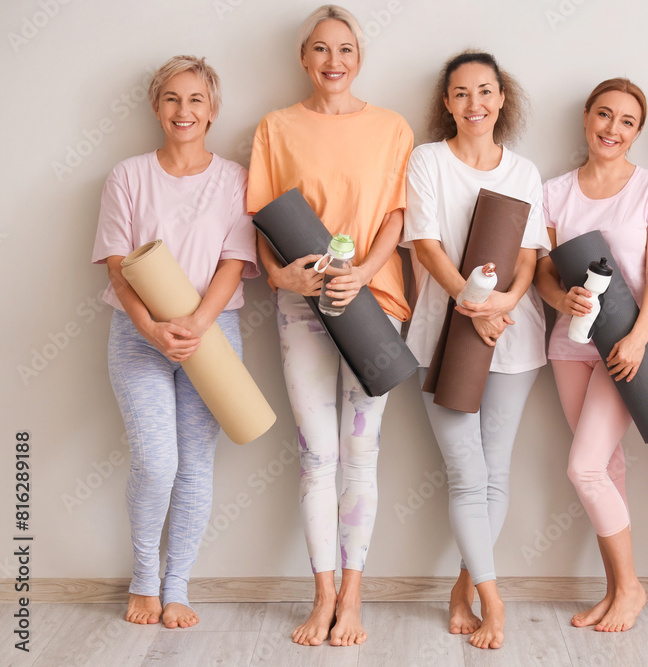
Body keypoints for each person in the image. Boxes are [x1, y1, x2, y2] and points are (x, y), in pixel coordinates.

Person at [246, 4, 413, 647]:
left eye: (344, 49)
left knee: (361, 454)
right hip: (300, 305)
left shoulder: (392, 128)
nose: (333, 61)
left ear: (359, 58)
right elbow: (261, 217)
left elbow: (397, 216)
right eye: (320, 49)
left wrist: (367, 271)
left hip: (375, 303)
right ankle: (320, 597)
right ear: (303, 59)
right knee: (318, 454)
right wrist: (281, 277)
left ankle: (354, 597)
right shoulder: (276, 127)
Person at [92, 55, 259, 629]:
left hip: (212, 336)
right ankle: (143, 579)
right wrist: (153, 328)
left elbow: (236, 262)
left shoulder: (234, 178)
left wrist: (196, 324)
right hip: (139, 337)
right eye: (171, 99)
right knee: (156, 462)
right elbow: (117, 265)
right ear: (156, 107)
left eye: (195, 100)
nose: (183, 111)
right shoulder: (128, 176)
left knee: (194, 467)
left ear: (212, 110)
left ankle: (177, 585)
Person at [403, 51, 549, 650]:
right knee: (465, 474)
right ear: (447, 103)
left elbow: (530, 257)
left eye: (485, 91)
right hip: (445, 334)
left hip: (513, 339)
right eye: (461, 93)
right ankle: (495, 603)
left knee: (495, 473)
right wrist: (470, 302)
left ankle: (464, 587)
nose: (475, 104)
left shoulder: (524, 172)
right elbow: (426, 246)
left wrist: (504, 305)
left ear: (502, 99)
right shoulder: (427, 161)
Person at [534, 78, 648, 632]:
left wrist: (642, 335)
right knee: (606, 468)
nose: (612, 129)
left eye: (626, 122)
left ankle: (632, 589)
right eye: (603, 115)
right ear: (587, 118)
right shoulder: (554, 191)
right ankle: (618, 589)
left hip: (630, 343)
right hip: (570, 345)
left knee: (584, 467)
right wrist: (558, 296)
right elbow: (544, 274)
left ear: (637, 132)